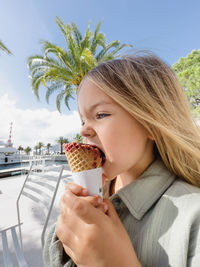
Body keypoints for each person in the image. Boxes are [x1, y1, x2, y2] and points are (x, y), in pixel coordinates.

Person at [43, 52, 200, 267]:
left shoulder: (193, 217)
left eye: (100, 115)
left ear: (151, 124)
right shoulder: (99, 190)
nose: (83, 130)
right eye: (82, 119)